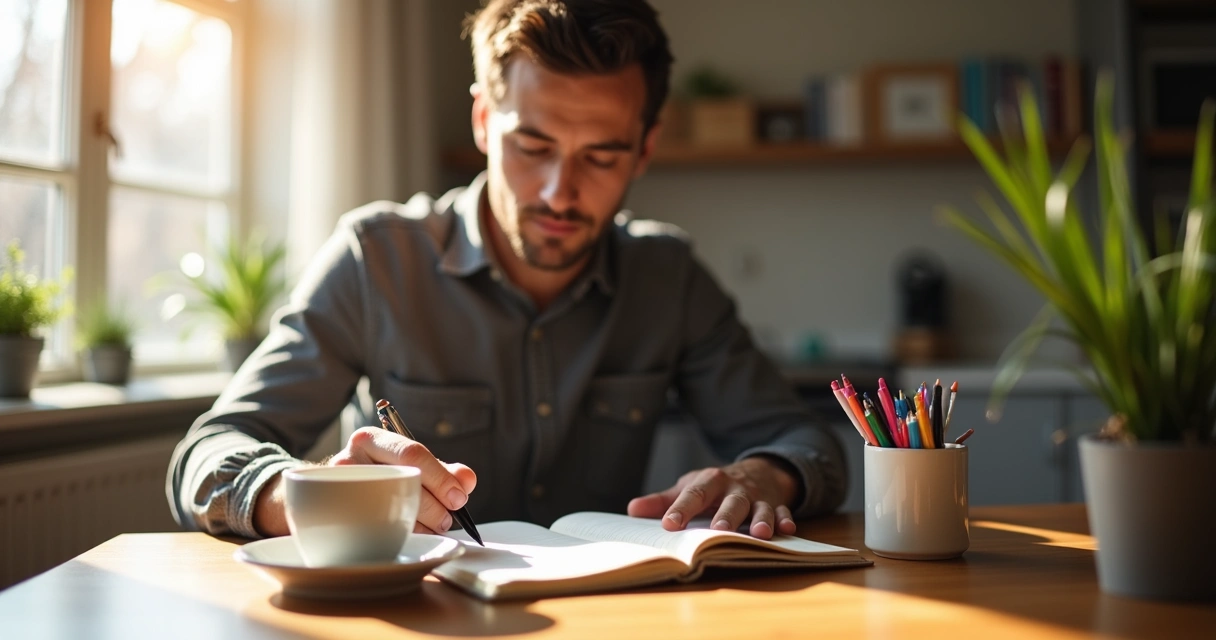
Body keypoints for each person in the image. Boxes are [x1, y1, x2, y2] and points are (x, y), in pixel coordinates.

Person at [167, 0, 846, 542]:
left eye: (602, 157)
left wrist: (765, 475)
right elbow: (208, 452)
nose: (559, 191)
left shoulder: (667, 278)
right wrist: (308, 497)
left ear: (645, 149)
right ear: (483, 119)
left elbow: (809, 442)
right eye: (532, 145)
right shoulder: (378, 258)